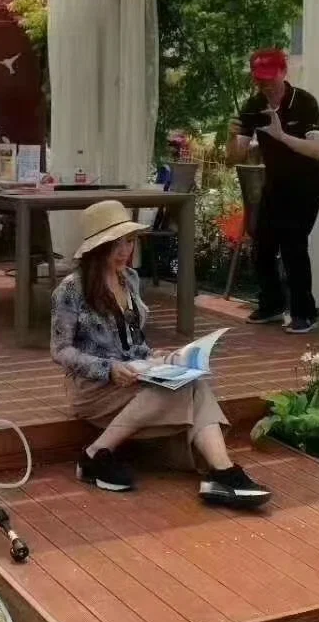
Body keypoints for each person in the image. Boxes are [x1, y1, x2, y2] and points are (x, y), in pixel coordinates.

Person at [50, 200, 271, 506]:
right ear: (98, 247)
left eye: (129, 241)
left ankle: (223, 473)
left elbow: (132, 340)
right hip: (93, 387)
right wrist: (109, 368)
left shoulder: (129, 280)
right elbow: (61, 351)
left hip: (133, 376)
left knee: (190, 379)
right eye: (118, 243)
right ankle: (95, 454)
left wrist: (156, 357)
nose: (127, 250)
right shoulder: (70, 289)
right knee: (182, 387)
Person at [227, 48, 319, 334]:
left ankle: (304, 313)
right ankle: (272, 305)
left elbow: (316, 150)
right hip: (278, 179)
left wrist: (281, 136)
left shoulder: (304, 102)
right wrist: (231, 136)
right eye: (260, 79)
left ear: (284, 73)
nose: (265, 85)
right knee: (263, 240)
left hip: (311, 178)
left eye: (270, 78)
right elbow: (234, 157)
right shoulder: (253, 106)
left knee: (293, 241)